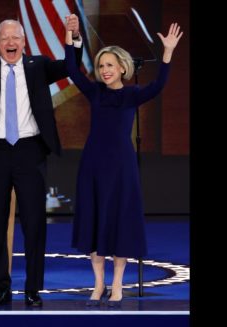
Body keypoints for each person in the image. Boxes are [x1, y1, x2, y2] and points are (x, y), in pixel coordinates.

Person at [0, 17, 84, 306]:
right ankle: (0, 287)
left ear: (24, 42)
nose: (10, 43)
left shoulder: (38, 66)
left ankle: (33, 287)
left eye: (15, 37)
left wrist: (74, 37)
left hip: (30, 150)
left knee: (34, 222)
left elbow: (70, 65)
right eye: (4, 38)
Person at [65, 22, 183, 307]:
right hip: (93, 165)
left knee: (119, 224)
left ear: (122, 68)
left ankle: (117, 284)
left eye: (110, 65)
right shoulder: (95, 92)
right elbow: (72, 71)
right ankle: (98, 284)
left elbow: (159, 85)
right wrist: (72, 39)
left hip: (121, 168)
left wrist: (167, 52)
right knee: (95, 222)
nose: (105, 70)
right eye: (101, 65)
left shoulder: (132, 94)